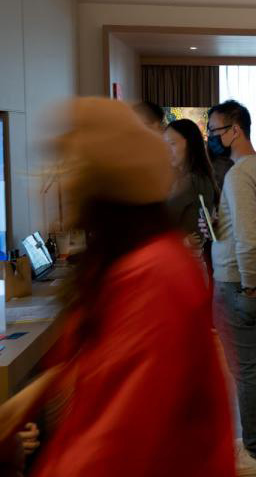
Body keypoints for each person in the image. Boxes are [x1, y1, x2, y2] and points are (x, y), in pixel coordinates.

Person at [0, 97, 233, 475]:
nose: (55, 186)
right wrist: (37, 392)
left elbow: (114, 443)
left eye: (69, 169)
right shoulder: (124, 265)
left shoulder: (152, 276)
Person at [207, 99, 256, 476]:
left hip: (239, 281)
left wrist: (249, 287)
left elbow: (250, 237)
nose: (211, 137)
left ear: (234, 130)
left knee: (247, 367)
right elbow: (254, 227)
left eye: (214, 130)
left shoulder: (239, 175)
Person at [164, 119, 219, 249]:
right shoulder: (202, 177)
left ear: (190, 144)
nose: (167, 151)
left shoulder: (190, 181)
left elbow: (160, 224)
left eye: (172, 144)